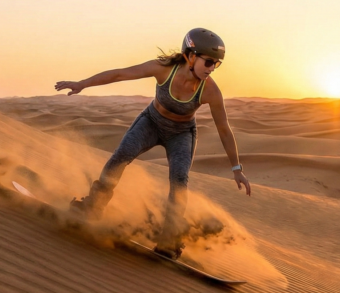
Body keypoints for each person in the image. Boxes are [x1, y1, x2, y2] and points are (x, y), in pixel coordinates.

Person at [54, 28, 251, 258]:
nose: (211, 69)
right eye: (208, 62)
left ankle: (169, 238)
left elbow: (224, 129)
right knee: (121, 156)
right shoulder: (163, 69)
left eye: (216, 64)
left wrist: (236, 168)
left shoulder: (210, 91)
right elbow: (120, 74)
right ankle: (93, 206)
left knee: (179, 180)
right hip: (151, 123)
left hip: (182, 134)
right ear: (191, 55)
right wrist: (83, 84)